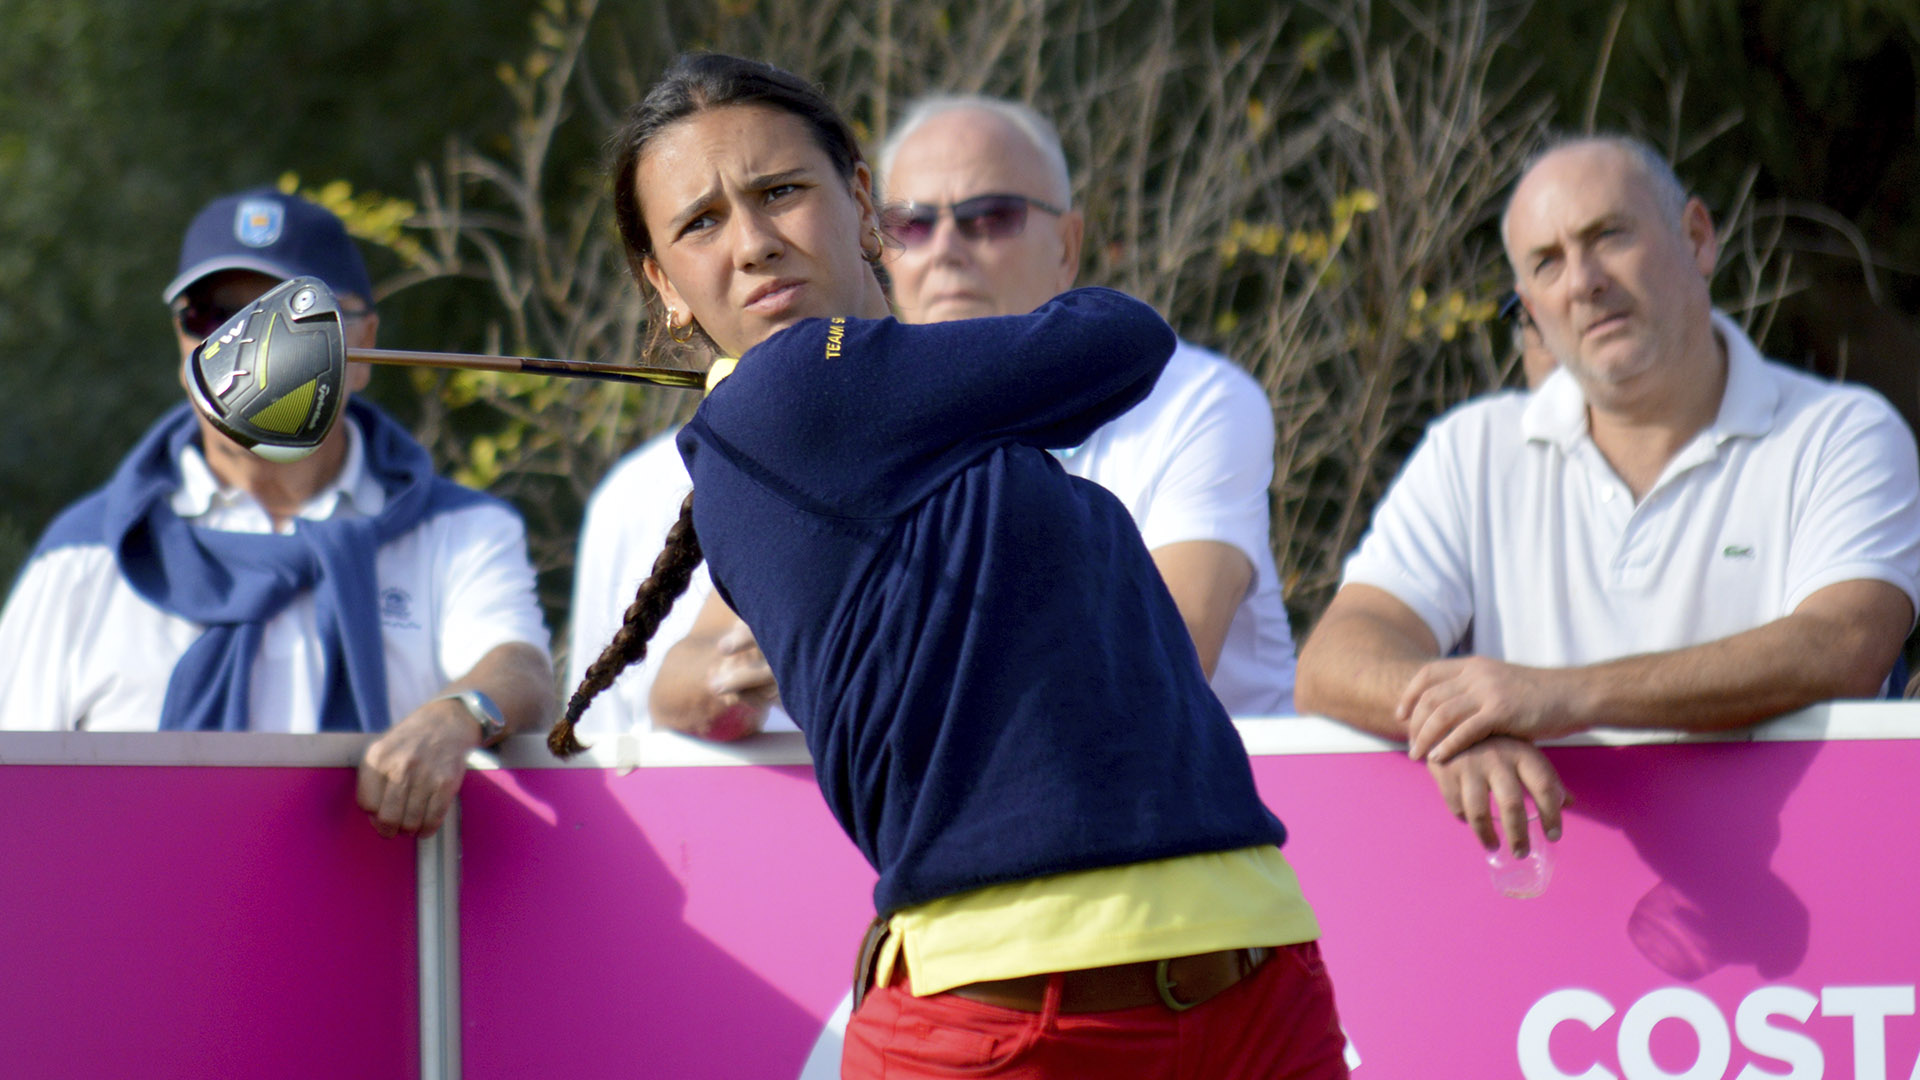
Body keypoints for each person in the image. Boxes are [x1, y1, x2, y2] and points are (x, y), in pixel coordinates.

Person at [556, 54, 1348, 1078]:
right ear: (662, 284)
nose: (752, 243)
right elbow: (1119, 336)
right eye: (700, 223)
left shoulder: (846, 414)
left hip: (1249, 972)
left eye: (780, 192)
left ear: (859, 203)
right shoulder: (790, 394)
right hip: (1014, 1016)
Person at [570, 93, 1296, 739]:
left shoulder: (1196, 396)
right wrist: (739, 675)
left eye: (991, 217)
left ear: (1069, 244)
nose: (946, 250)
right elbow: (681, 676)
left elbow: (1158, 652)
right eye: (915, 223)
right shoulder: (822, 418)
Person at [1295, 134, 1920, 858]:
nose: (1583, 281)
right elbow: (1335, 657)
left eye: (1608, 237)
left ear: (1697, 238)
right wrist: (1455, 723)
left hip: (1816, 925)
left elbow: (1844, 644)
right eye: (1547, 263)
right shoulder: (1471, 450)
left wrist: (1557, 696)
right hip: (1547, 932)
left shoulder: (1838, 431)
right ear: (1530, 305)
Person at [0, 188, 555, 838]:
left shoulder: (459, 532)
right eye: (211, 315)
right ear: (180, 344)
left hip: (386, 928)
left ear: (365, 344)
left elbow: (521, 669)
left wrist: (460, 714)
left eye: (286, 319)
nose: (244, 345)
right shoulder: (85, 555)